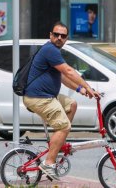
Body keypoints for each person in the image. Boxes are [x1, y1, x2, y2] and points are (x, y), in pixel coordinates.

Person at [23, 21, 100, 181]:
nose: (59, 38)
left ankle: (57, 146)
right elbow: (69, 71)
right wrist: (88, 86)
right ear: (50, 35)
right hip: (39, 98)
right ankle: (49, 162)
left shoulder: (53, 51)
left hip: (47, 96)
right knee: (64, 126)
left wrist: (81, 89)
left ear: (66, 38)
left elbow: (63, 77)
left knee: (72, 104)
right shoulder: (50, 50)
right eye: (56, 35)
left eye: (62, 36)